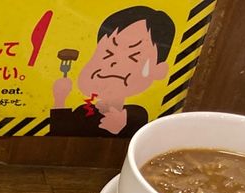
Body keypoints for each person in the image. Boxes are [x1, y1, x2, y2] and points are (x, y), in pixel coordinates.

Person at [50, 6, 175, 138]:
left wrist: (122, 125)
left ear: (159, 70)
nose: (114, 62)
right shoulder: (83, 111)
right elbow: (60, 133)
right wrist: (60, 99)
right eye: (108, 53)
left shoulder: (137, 112)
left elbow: (142, 131)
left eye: (133, 57)